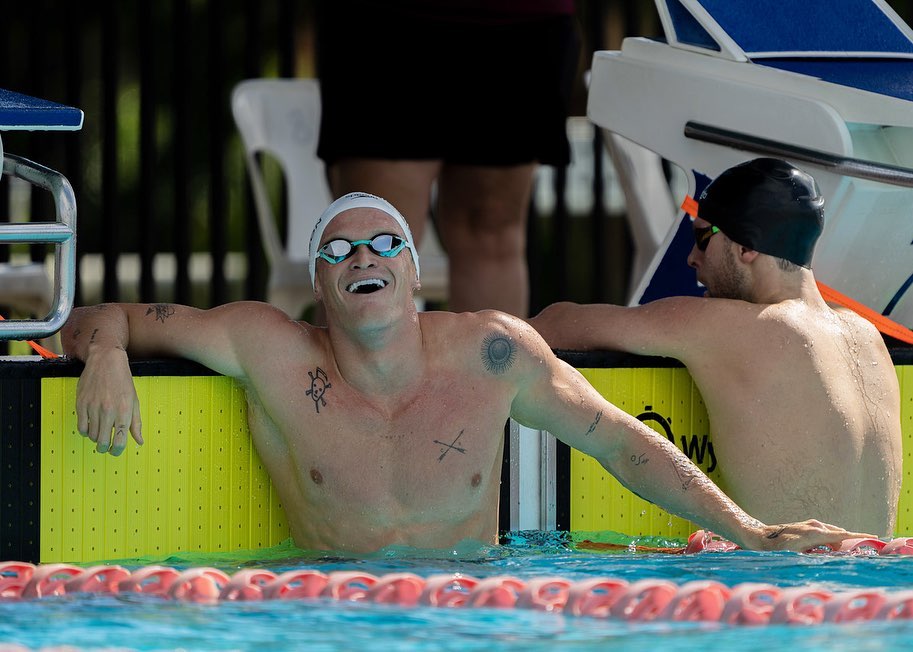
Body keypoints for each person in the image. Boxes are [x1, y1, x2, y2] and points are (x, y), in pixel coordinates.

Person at [61, 191, 869, 555]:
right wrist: (105, 352)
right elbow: (93, 318)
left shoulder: (492, 352)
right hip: (325, 612)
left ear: (415, 277)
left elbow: (619, 441)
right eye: (337, 251)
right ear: (320, 285)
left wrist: (751, 533)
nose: (362, 258)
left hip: (473, 609)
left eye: (383, 245)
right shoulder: (266, 346)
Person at [529, 158, 903, 537]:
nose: (692, 257)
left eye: (704, 237)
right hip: (875, 584)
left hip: (784, 585)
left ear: (747, 247)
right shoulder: (869, 338)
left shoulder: (729, 325)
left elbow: (558, 324)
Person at [315, 0, 582, 316]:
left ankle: (488, 365)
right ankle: (341, 367)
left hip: (521, 22)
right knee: (371, 238)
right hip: (390, 20)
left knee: (490, 234)